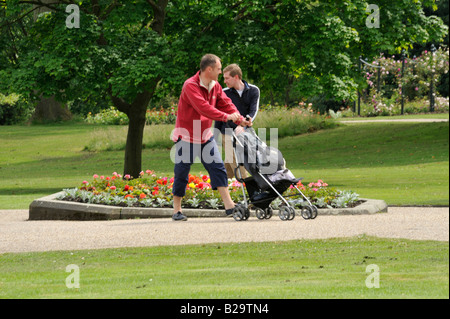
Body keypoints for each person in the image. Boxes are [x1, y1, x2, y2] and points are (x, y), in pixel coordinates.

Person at [171, 54, 252, 221]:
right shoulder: (190, 86)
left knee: (217, 168)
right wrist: (226, 117)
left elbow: (225, 102)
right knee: (181, 173)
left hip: (205, 135)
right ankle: (176, 210)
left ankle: (229, 206)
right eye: (219, 69)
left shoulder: (215, 86)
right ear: (209, 69)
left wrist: (239, 117)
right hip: (187, 135)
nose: (221, 72)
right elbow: (204, 108)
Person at [214, 63, 260, 179]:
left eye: (226, 78)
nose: (224, 81)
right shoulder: (224, 92)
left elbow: (253, 111)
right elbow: (219, 115)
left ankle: (222, 186)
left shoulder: (254, 90)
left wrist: (244, 125)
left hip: (246, 130)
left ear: (236, 77)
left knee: (231, 163)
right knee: (238, 161)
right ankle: (244, 186)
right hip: (228, 132)